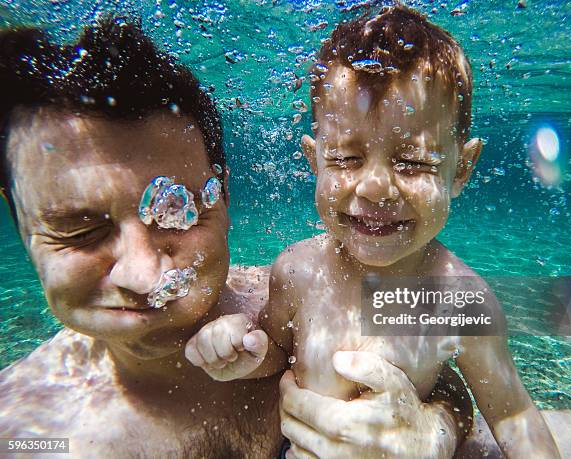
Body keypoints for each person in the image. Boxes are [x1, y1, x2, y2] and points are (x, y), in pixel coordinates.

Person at [0, 17, 472, 458]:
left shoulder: (303, 294)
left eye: (175, 211)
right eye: (81, 231)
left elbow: (438, 368)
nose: (143, 277)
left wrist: (433, 431)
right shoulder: (25, 433)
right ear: (21, 225)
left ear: (223, 198)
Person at [186, 6, 571, 458]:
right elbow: (278, 351)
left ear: (461, 168)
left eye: (413, 162)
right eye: (345, 159)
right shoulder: (297, 270)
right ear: (314, 161)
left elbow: (511, 415)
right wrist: (245, 352)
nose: (374, 188)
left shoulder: (454, 297)